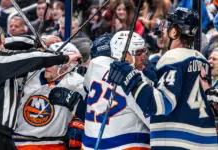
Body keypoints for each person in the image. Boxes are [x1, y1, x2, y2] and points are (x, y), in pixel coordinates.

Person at [108, 7, 218, 149]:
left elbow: (160, 105)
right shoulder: (202, 59)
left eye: (168, 27)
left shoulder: (172, 58)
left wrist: (131, 79)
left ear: (174, 32)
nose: (163, 31)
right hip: (205, 142)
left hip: (179, 143)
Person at [0, 19, 81, 150]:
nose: (3, 37)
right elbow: (31, 58)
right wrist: (63, 57)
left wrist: (38, 41)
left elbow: (13, 43)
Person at [82, 32, 150, 150]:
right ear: (124, 54)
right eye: (139, 52)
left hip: (88, 145)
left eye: (144, 52)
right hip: (125, 145)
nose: (143, 56)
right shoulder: (136, 78)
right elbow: (152, 120)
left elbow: (86, 87)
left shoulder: (95, 64)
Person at [14, 42, 86, 150]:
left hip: (55, 144)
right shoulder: (28, 76)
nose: (47, 65)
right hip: (19, 142)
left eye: (54, 61)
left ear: (68, 65)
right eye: (48, 59)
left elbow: (95, 111)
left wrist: (76, 103)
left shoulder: (77, 82)